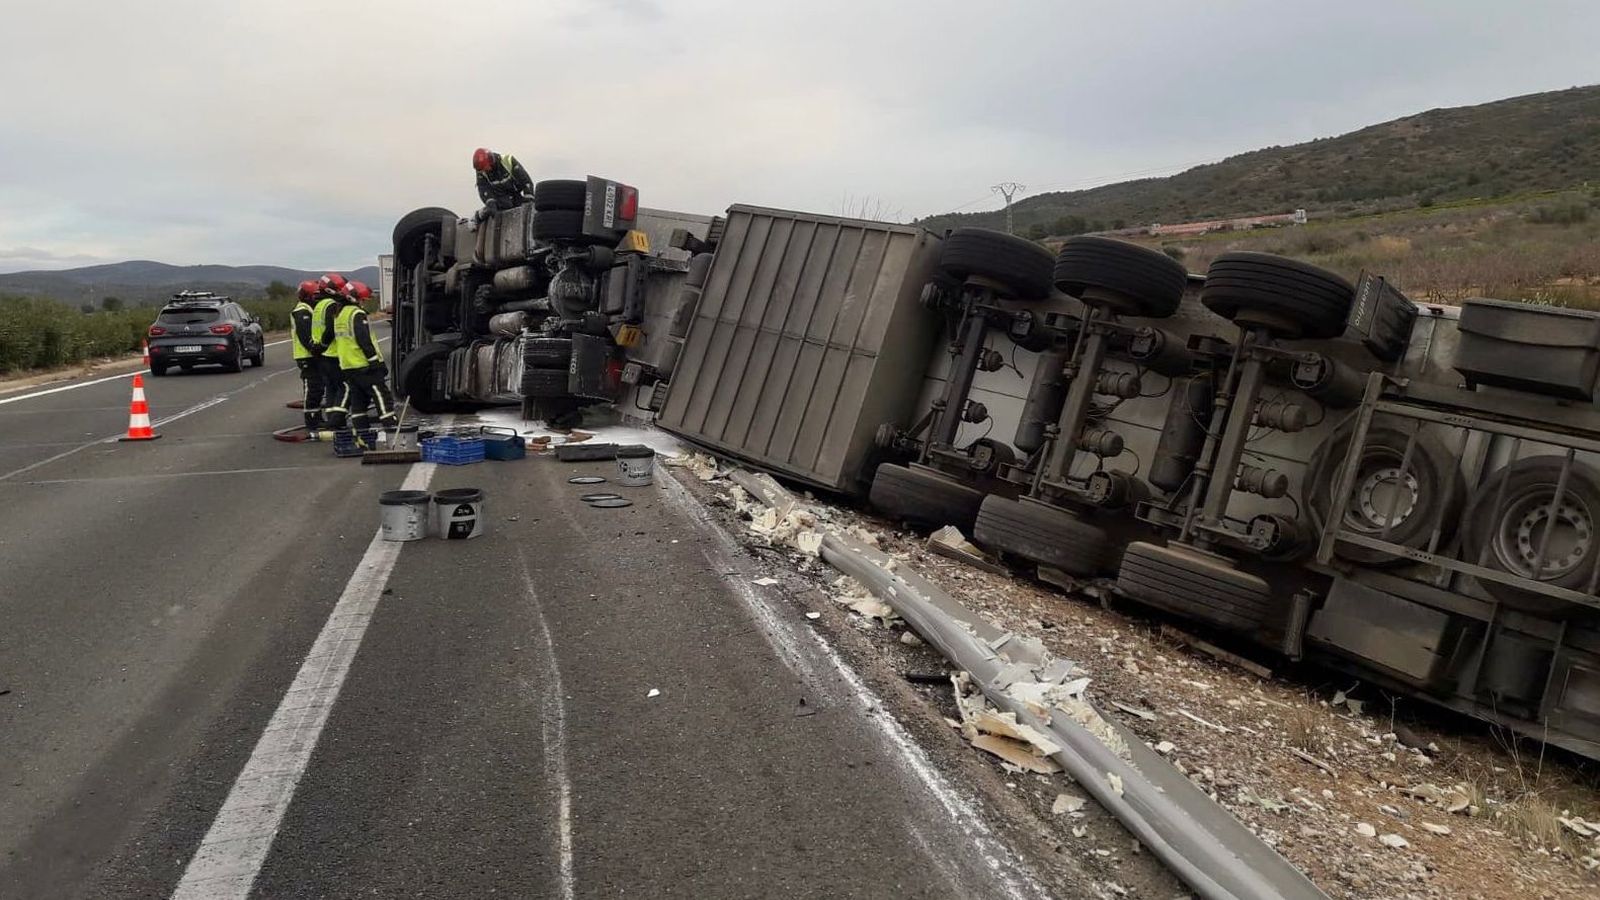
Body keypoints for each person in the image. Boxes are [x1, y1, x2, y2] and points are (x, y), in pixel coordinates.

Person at [329, 281, 397, 448]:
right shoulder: (356, 314)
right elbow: (364, 340)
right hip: (363, 365)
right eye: (362, 299)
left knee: (358, 403)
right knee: (382, 396)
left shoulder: (340, 314)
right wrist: (375, 362)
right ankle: (393, 430)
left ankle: (363, 439)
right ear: (354, 298)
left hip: (348, 366)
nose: (363, 303)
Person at [310, 274, 348, 436]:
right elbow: (331, 328)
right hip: (332, 353)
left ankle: (332, 419)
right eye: (340, 289)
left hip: (322, 355)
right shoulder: (332, 305)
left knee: (331, 388)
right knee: (344, 387)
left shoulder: (319, 305)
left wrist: (319, 346)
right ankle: (336, 420)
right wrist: (325, 344)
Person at [289, 280, 326, 430]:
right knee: (312, 387)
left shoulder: (308, 309)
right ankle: (311, 421)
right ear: (309, 296)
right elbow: (305, 336)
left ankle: (316, 418)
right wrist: (315, 350)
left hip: (311, 356)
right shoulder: (302, 311)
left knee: (317, 387)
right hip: (307, 356)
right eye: (315, 296)